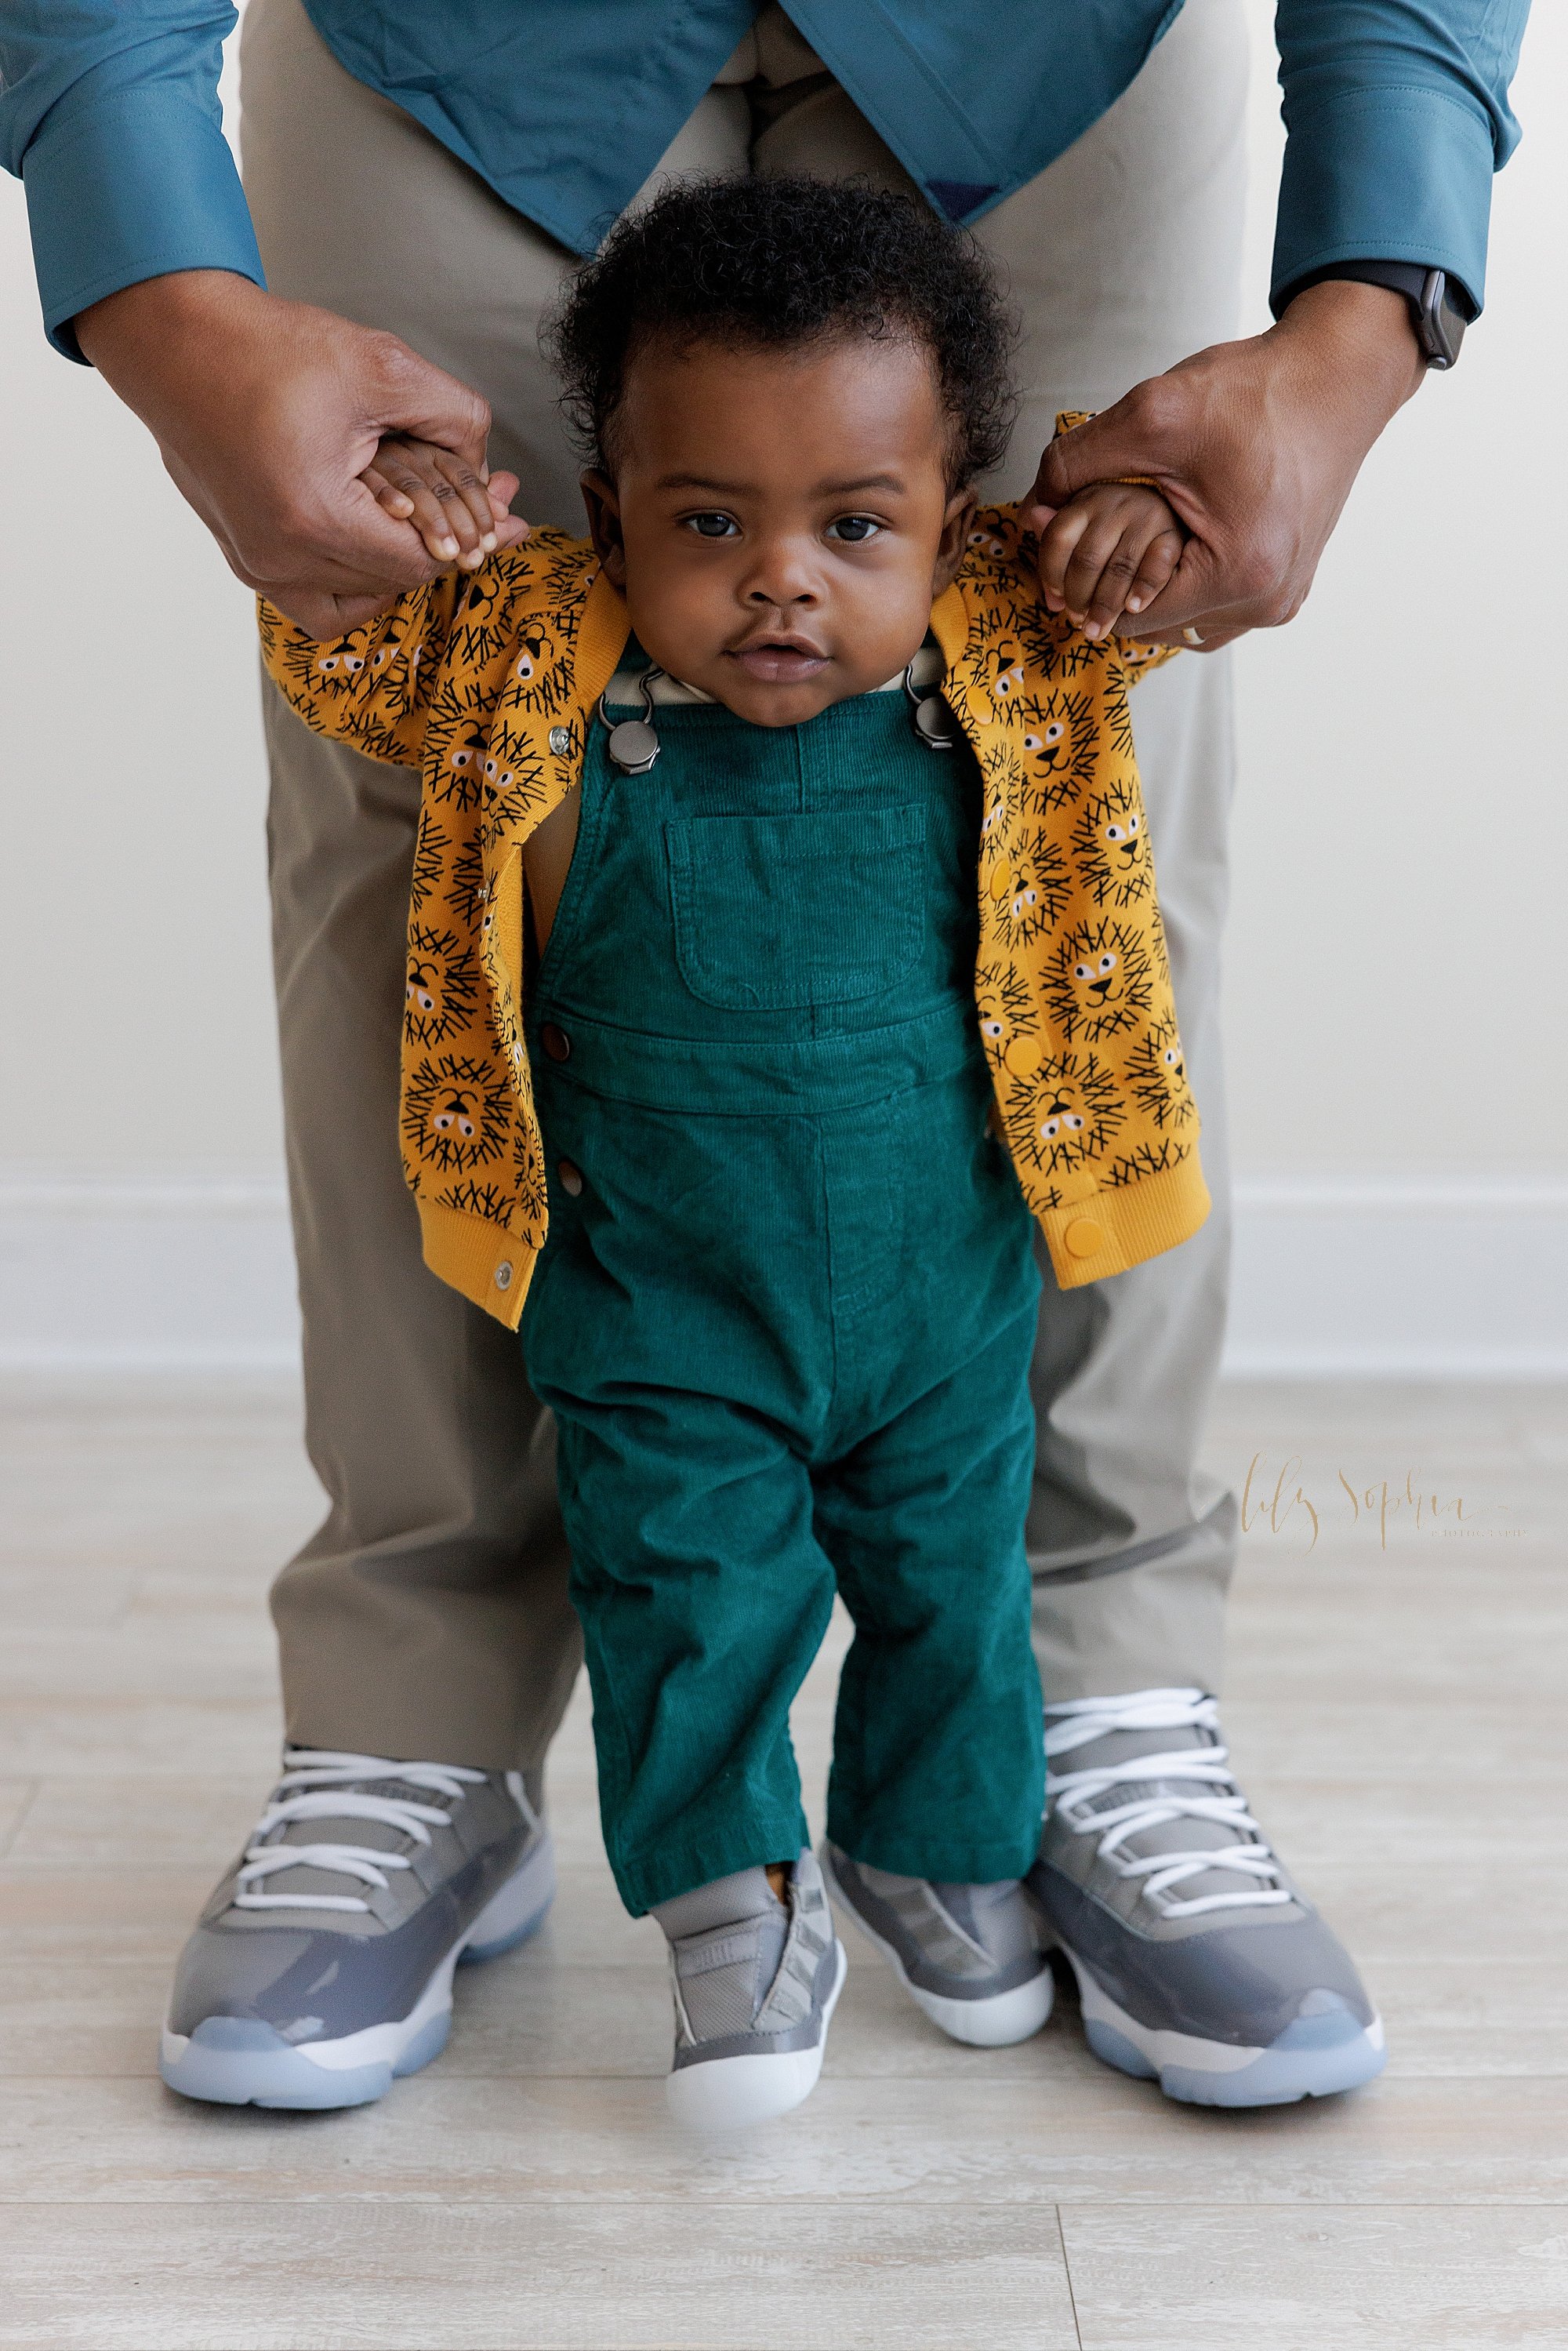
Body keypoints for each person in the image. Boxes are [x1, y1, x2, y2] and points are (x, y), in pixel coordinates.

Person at [0, 0, 1529, 2112]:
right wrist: (157, 279)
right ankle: (411, 1699)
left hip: (1056, 53)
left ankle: (1090, 1685)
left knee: (1095, 782)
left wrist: (1369, 305)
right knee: (421, 773)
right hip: (455, 54)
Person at [234, 174, 1258, 2126]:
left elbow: (1149, 608)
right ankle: (729, 1897)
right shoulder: (529, 645)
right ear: (606, 507)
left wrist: (1132, 522)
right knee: (686, 1590)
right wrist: (410, 540)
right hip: (655, 1296)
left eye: (852, 524)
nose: (779, 579)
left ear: (957, 517)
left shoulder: (1013, 645)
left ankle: (929, 1841)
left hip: (938, 1291)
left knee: (953, 1580)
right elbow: (340, 658)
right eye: (709, 522)